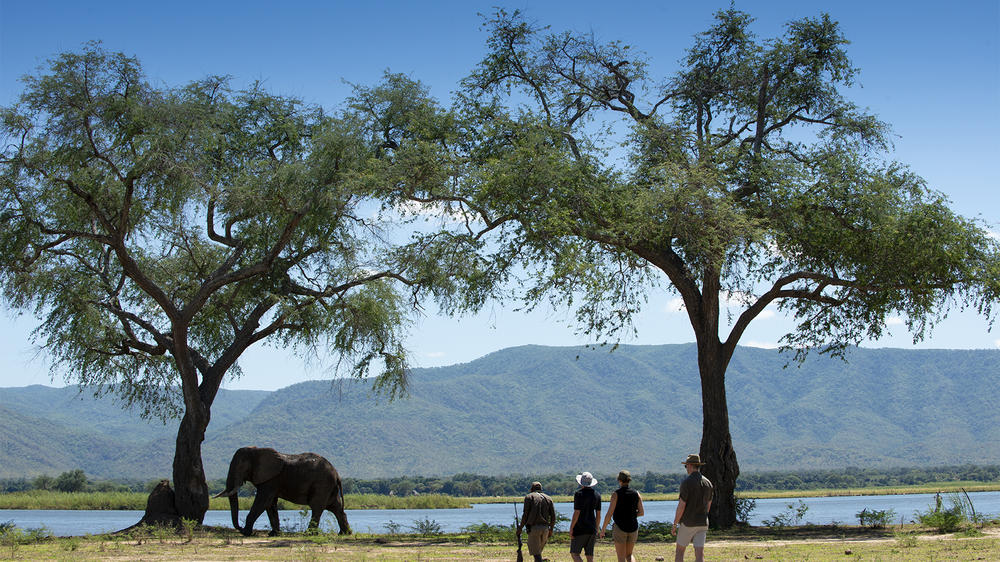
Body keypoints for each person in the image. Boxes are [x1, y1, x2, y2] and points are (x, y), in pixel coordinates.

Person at [671, 454, 713, 562]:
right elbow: (708, 505)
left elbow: (681, 506)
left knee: (680, 551)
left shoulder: (687, 483)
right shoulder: (708, 483)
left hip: (688, 522)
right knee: (699, 553)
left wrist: (675, 523)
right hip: (703, 522)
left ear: (689, 465)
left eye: (686, 466)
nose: (686, 469)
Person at [600, 469, 645, 562]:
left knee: (621, 558)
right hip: (633, 527)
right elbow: (641, 512)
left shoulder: (616, 494)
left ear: (619, 480)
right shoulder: (637, 494)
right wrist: (632, 515)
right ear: (629, 480)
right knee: (629, 555)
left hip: (620, 528)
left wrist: (603, 529)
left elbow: (609, 514)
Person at [516, 481, 556, 562]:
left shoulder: (529, 497)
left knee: (536, 554)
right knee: (538, 553)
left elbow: (525, 515)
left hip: (534, 529)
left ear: (531, 489)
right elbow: (553, 516)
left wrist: (520, 528)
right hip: (545, 529)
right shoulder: (548, 498)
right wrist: (551, 529)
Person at [569, 471, 601, 562]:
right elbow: (598, 514)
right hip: (592, 529)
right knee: (590, 556)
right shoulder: (597, 495)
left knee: (575, 554)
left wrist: (571, 528)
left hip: (580, 528)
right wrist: (597, 528)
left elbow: (577, 512)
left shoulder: (579, 494)